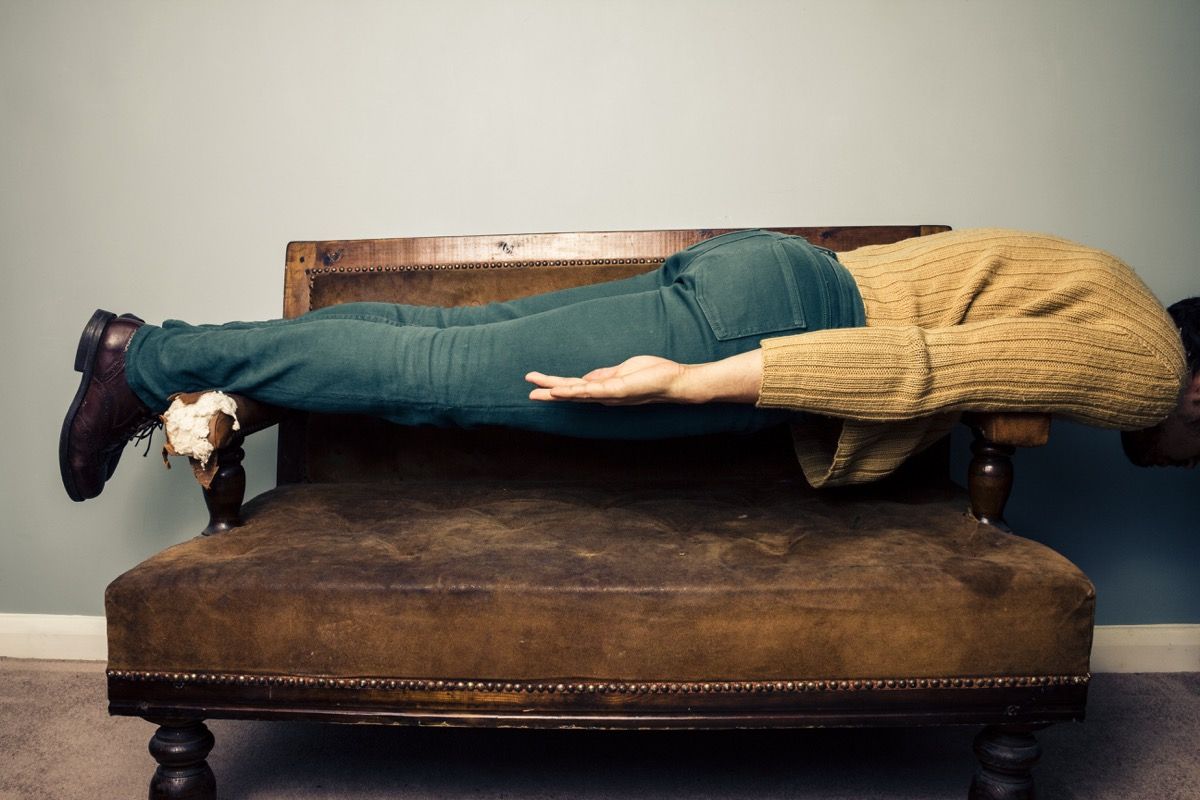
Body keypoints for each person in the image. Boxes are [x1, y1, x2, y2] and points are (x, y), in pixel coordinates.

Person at [60, 227, 1199, 502]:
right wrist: (700, 379)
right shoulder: (1149, 365)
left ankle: (151, 353)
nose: (1188, 454)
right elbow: (921, 365)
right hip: (773, 330)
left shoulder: (1110, 280)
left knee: (440, 347)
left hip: (777, 273)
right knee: (438, 382)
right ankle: (147, 355)